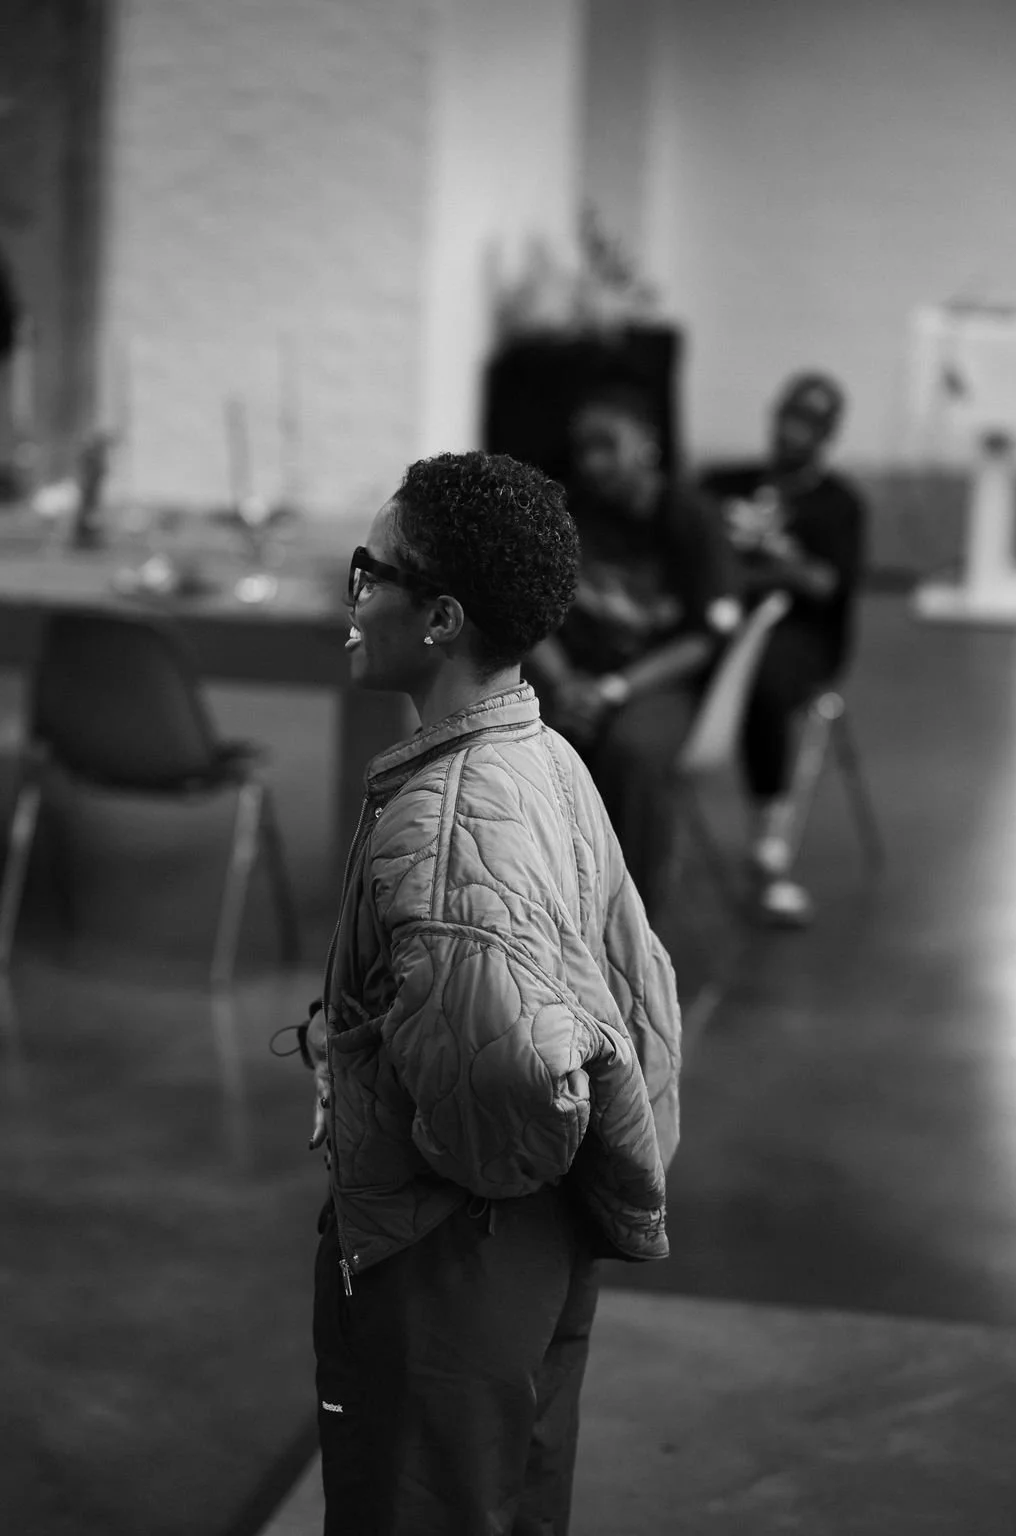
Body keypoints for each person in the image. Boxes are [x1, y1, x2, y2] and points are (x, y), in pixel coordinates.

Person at [292, 450, 683, 1535]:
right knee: (515, 1503)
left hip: (451, 1255)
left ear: (443, 618)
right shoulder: (546, 754)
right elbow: (637, 985)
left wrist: (410, 1095)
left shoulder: (443, 818)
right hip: (540, 1246)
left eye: (371, 573)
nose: (353, 599)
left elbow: (506, 1076)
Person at [527, 383, 742, 915]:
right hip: (573, 678)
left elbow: (704, 638)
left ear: (647, 444)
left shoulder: (691, 517)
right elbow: (529, 614)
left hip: (657, 684)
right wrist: (564, 681)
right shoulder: (567, 510)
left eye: (607, 445)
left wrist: (615, 689)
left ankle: (628, 931)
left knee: (631, 754)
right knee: (514, 737)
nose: (593, 462)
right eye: (584, 449)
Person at [698, 371, 866, 925]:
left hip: (801, 635)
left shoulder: (840, 505)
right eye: (787, 417)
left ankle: (769, 834)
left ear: (827, 434)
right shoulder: (726, 482)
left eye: (808, 424)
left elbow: (824, 584)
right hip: (723, 617)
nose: (792, 433)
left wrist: (766, 554)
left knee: (765, 684)